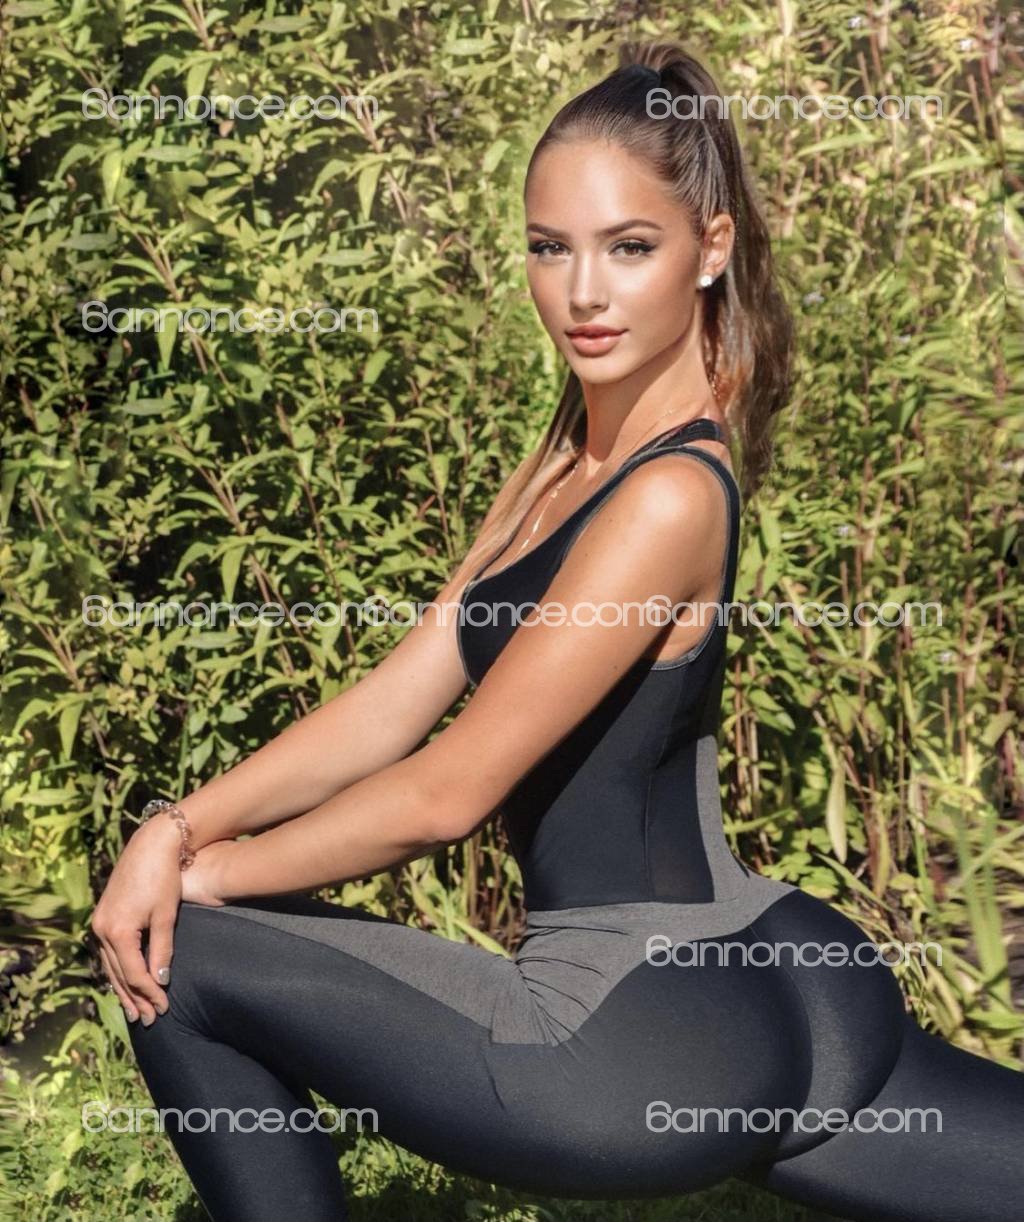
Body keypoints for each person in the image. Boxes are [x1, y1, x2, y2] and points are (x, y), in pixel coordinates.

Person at [90, 40, 1023, 1222]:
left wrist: (200, 881)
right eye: (549, 247)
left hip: (638, 1028)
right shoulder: (565, 462)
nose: (582, 292)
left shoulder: (668, 494)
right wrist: (177, 826)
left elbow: (446, 794)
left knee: (181, 954)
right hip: (774, 967)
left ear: (709, 249)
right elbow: (392, 704)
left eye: (628, 248)